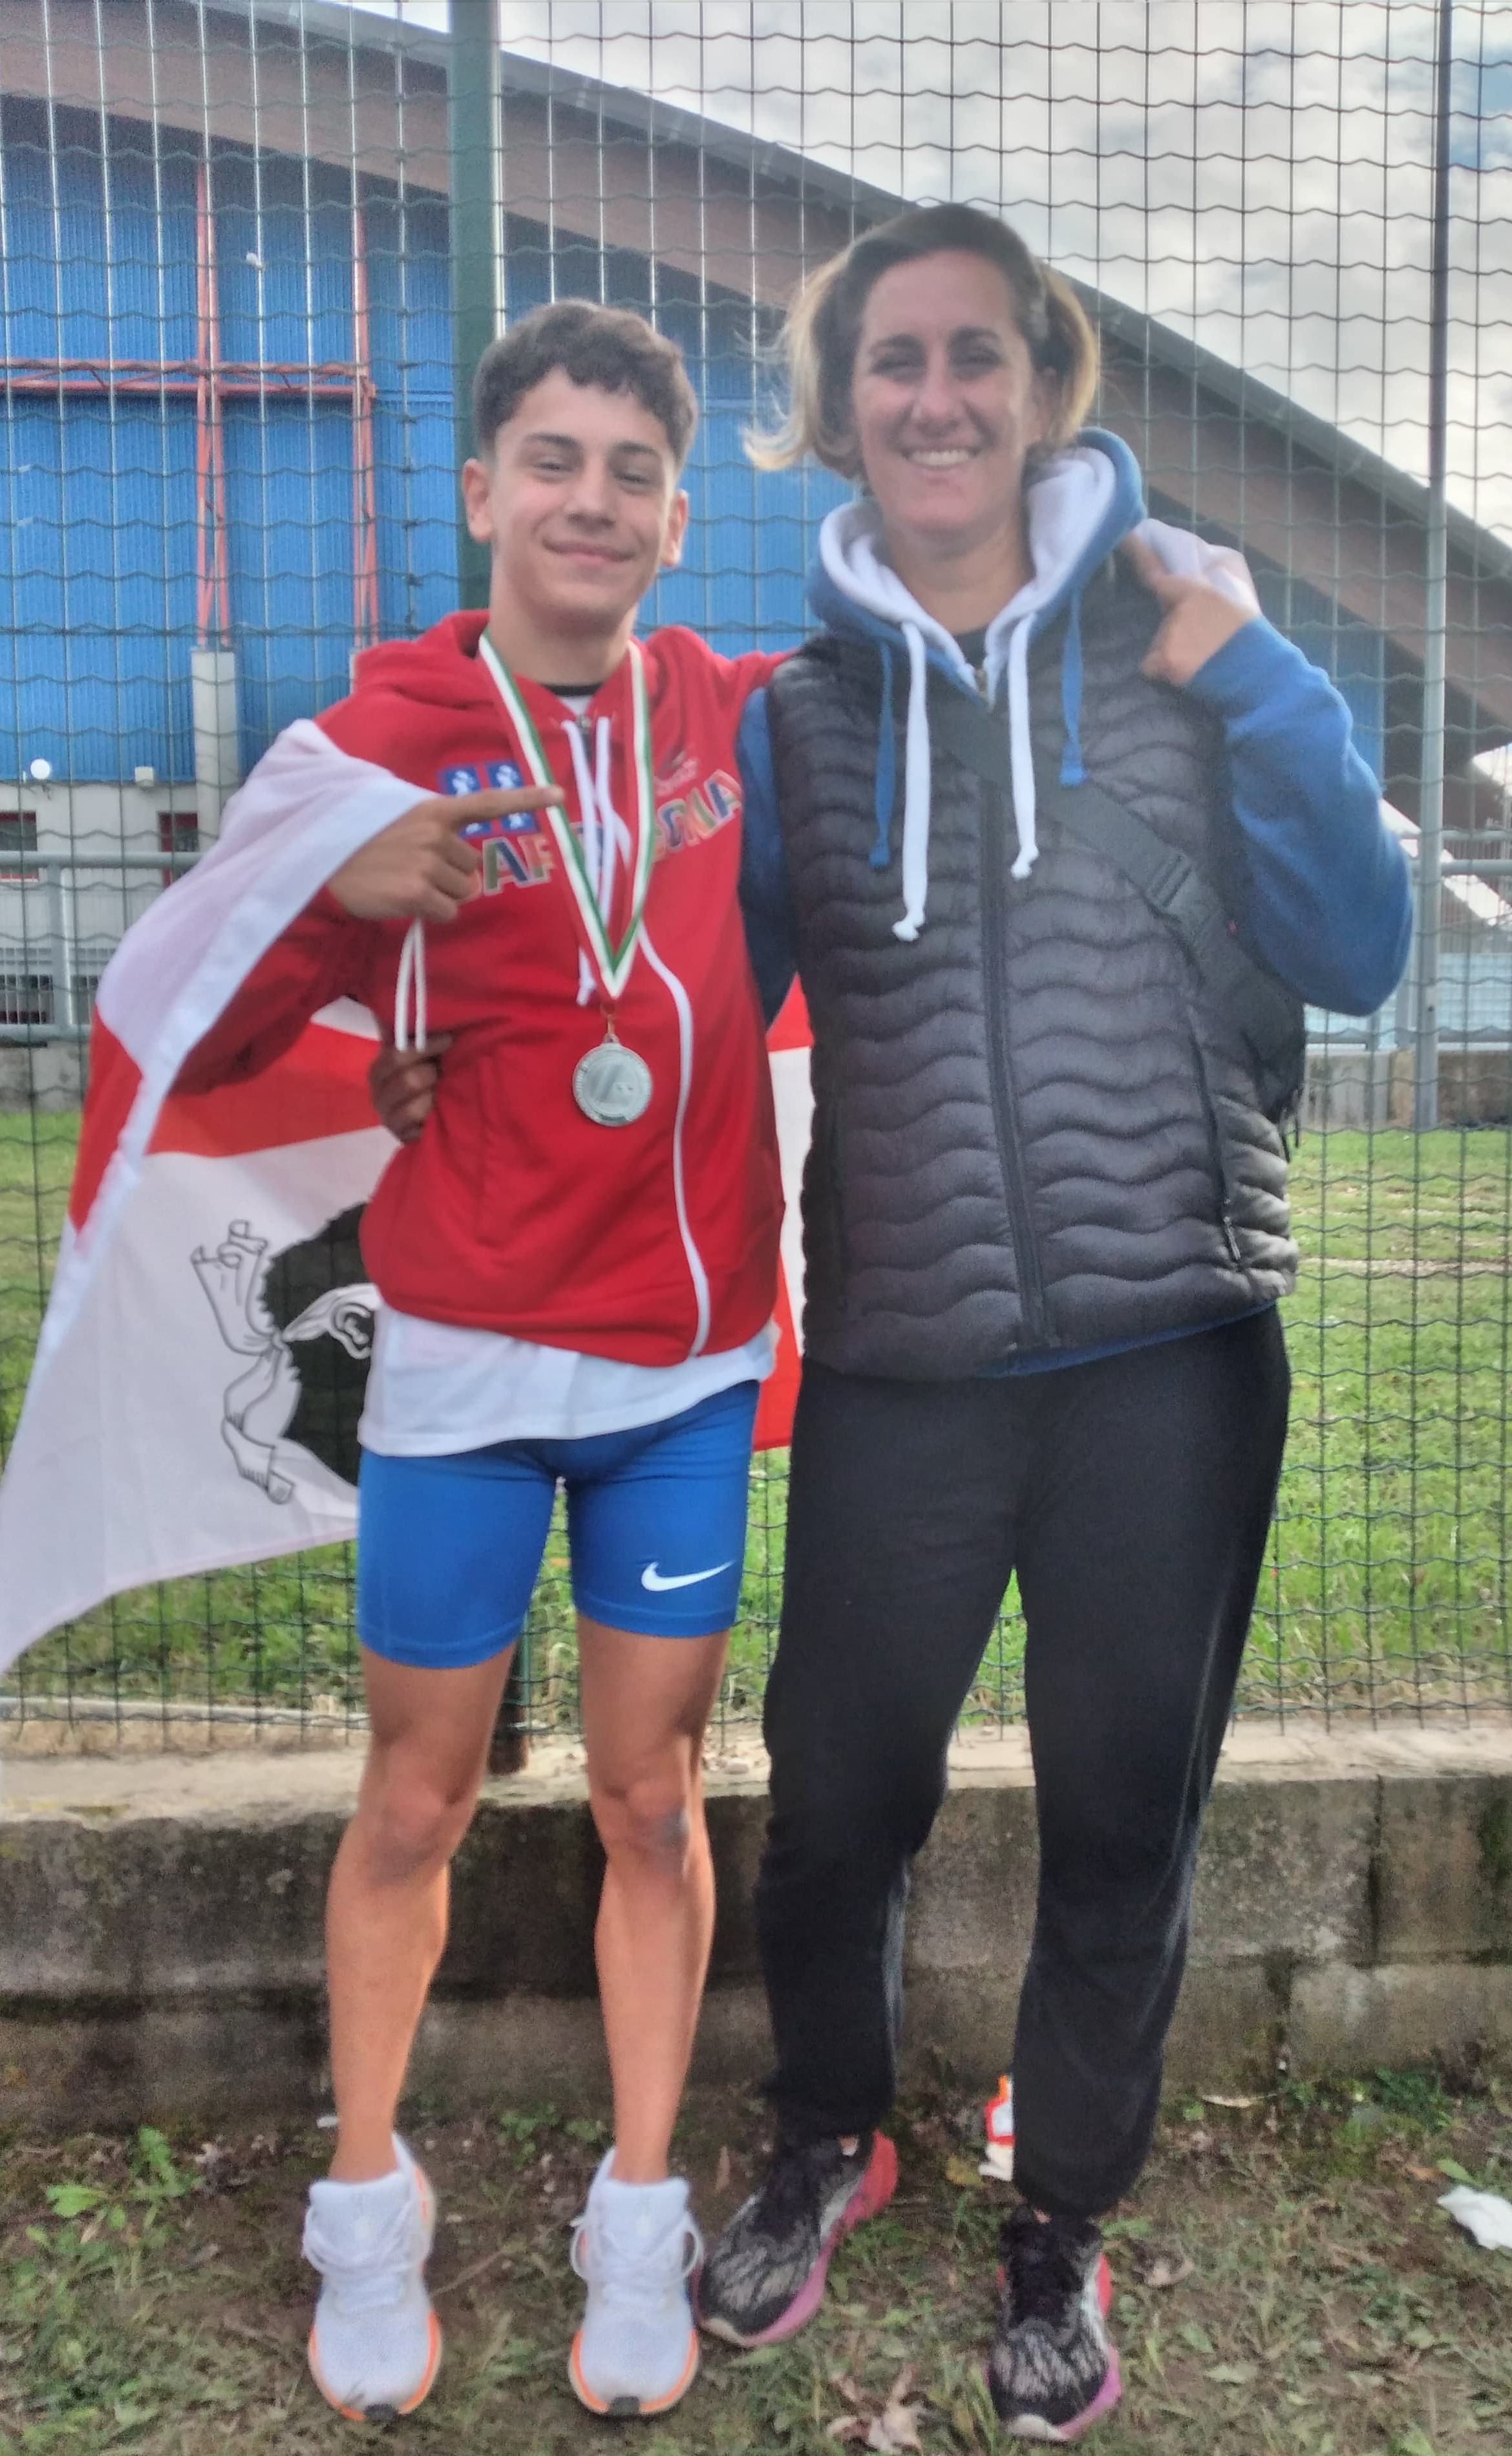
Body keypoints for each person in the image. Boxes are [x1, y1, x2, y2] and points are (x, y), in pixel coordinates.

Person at [368, 208, 1412, 2442]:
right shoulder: (797, 722)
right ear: (835, 413)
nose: (934, 396)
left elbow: (1360, 943)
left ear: (1041, 382)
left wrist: (1262, 676)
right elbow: (657, 984)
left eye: (973, 352)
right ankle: (829, 2133)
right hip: (903, 1365)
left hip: (1170, 1347)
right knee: (837, 1804)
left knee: (1124, 1815)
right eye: (889, 362)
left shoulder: (1183, 643)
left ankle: (1063, 2217)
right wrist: (450, 1049)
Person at [171, 301, 793, 2424]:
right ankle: (366, 2194)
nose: (589, 502)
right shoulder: (376, 740)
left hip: (679, 1370)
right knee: (417, 1795)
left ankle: (640, 2202)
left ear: (676, 518)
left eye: (632, 471)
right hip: (456, 1360)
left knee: (647, 1800)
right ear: (479, 491)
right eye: (552, 460)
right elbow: (199, 1031)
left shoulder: (727, 713)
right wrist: (324, 881)